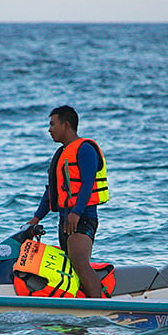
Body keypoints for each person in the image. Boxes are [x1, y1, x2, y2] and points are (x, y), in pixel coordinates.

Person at [27, 106, 109, 298]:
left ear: (66, 124)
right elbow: (51, 193)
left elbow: (88, 183)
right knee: (70, 265)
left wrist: (77, 212)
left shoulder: (85, 149)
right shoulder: (61, 154)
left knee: (79, 263)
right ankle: (79, 307)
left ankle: (100, 309)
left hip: (83, 217)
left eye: (52, 124)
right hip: (65, 219)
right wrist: (36, 218)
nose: (49, 129)